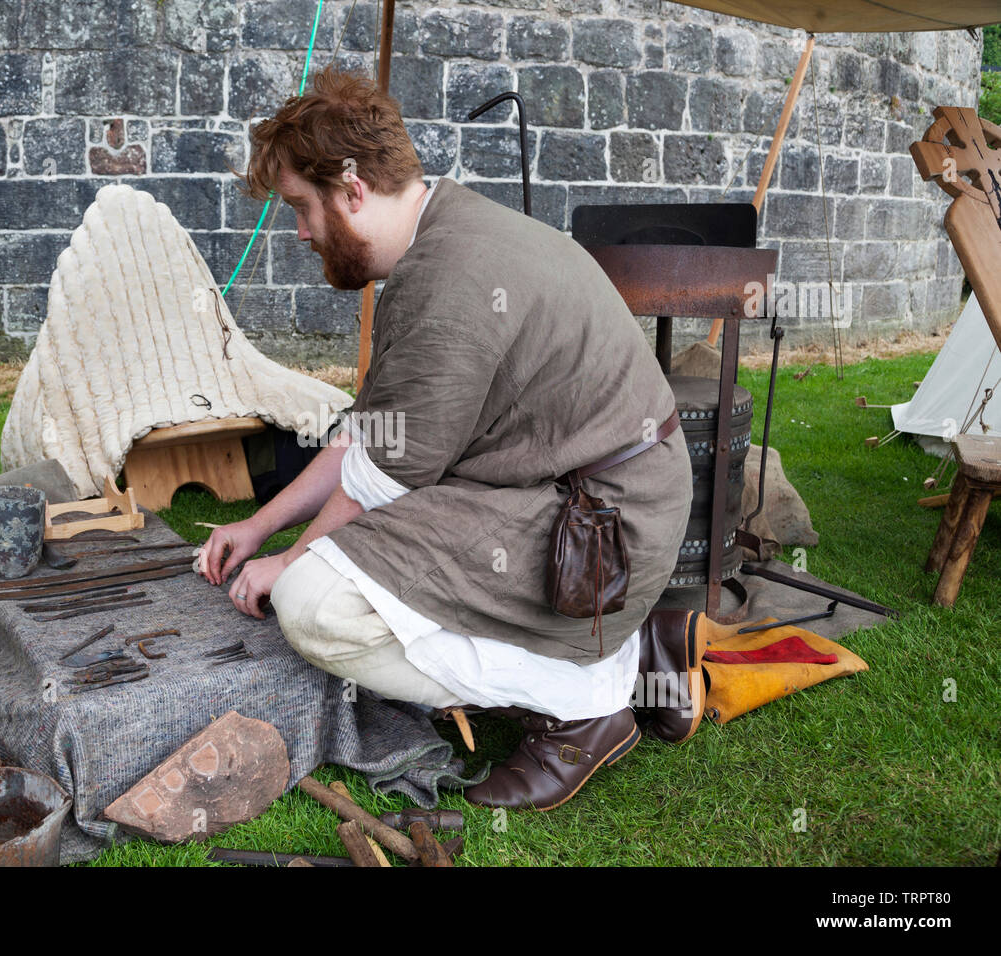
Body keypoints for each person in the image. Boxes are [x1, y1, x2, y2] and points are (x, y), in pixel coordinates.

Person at [197, 68, 705, 810]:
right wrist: (260, 523)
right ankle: (635, 650)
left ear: (352, 190)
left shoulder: (451, 278)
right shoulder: (447, 233)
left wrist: (289, 561)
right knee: (331, 562)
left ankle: (587, 704)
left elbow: (378, 481)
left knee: (314, 603)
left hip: (600, 528)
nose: (300, 233)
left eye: (301, 209)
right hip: (573, 495)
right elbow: (371, 437)